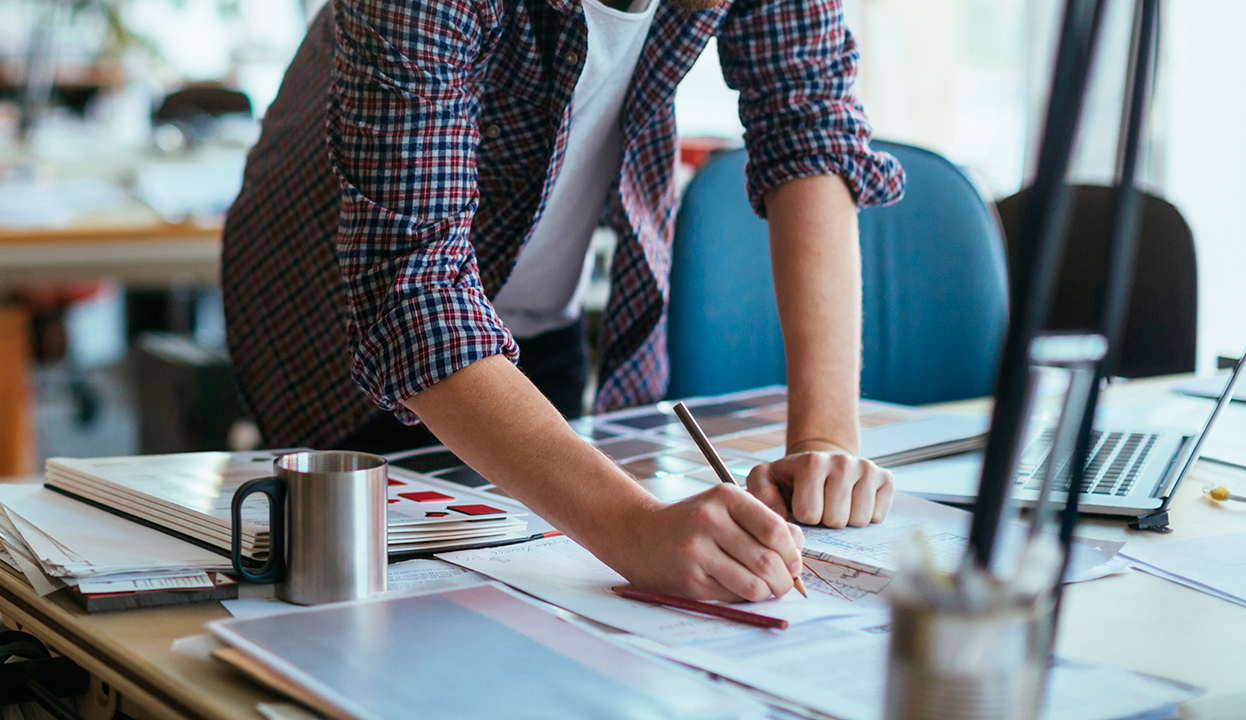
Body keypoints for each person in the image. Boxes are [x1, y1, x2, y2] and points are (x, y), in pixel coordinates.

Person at [222, 0, 905, 603]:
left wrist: (823, 441)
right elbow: (412, 292)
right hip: (335, 322)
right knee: (361, 612)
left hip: (533, 320)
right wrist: (632, 530)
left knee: (534, 596)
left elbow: (808, 132)